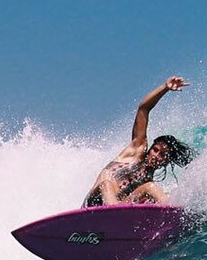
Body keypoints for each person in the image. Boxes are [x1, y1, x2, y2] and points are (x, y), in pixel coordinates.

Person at [83, 76, 194, 207]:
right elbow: (143, 109)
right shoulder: (135, 153)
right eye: (155, 150)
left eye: (162, 155)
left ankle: (176, 214)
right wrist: (165, 88)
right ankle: (114, 214)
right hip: (93, 204)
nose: (156, 156)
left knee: (151, 190)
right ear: (150, 149)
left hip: (118, 209)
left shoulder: (147, 180)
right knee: (106, 183)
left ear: (166, 160)